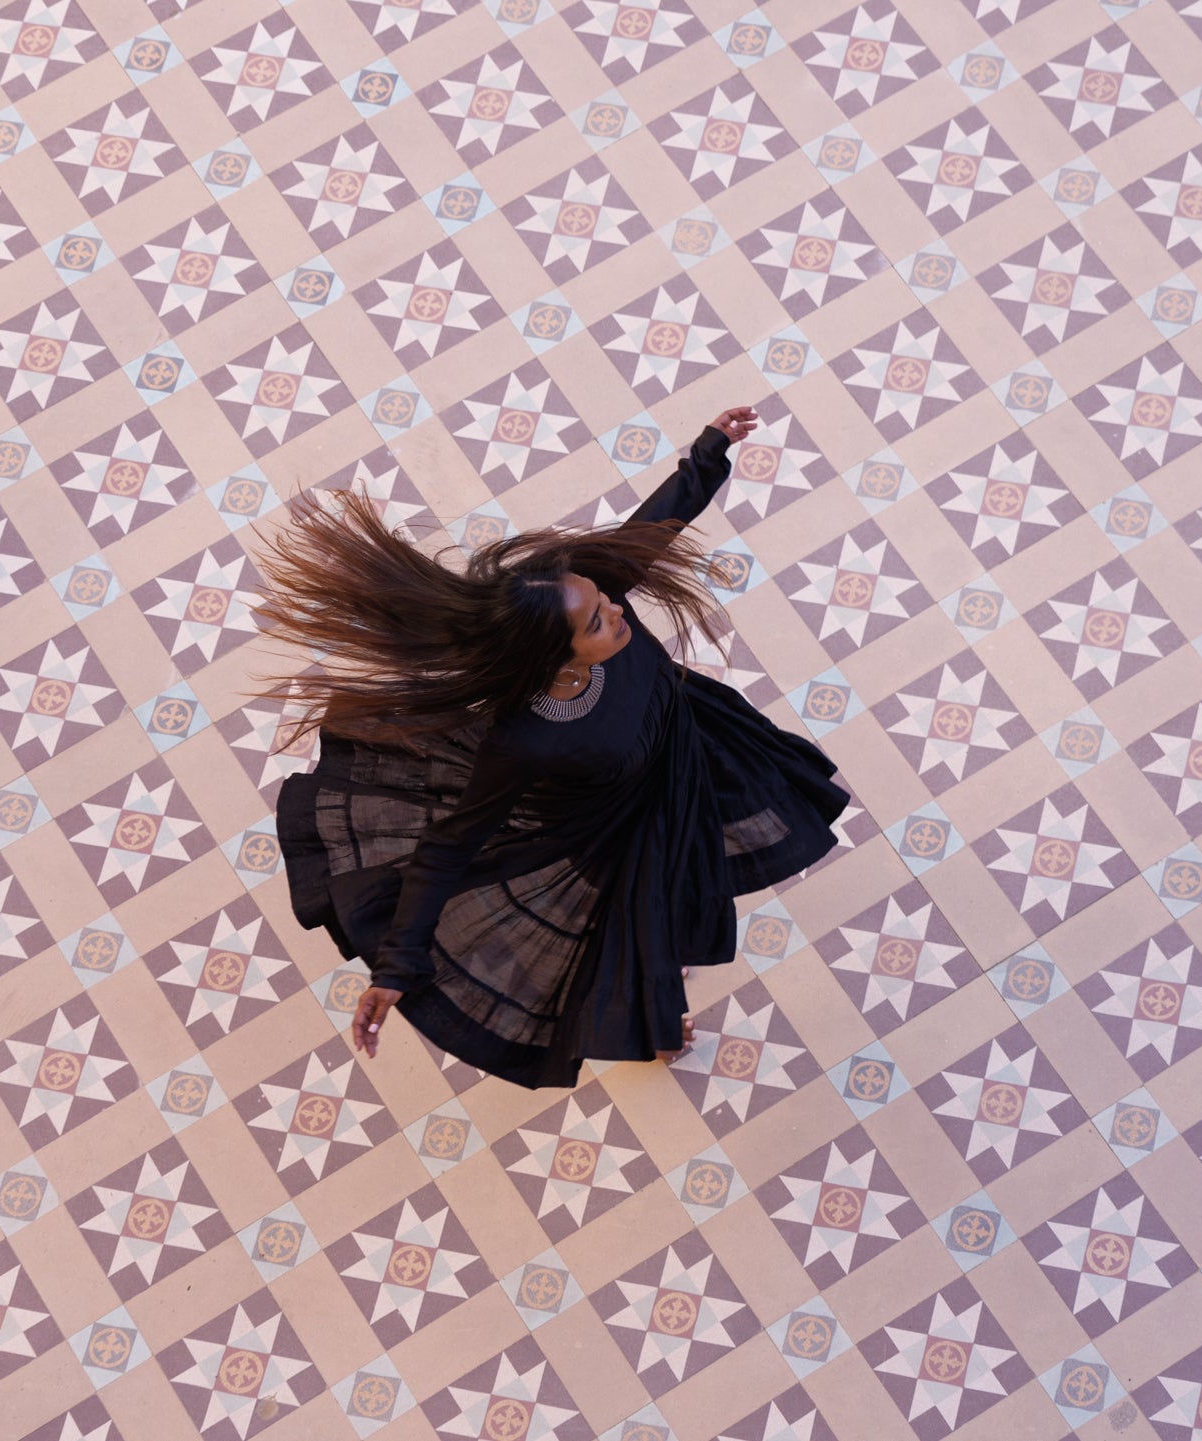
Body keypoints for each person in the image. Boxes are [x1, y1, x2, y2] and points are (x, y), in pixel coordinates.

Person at [261, 407, 848, 1089]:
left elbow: (644, 536)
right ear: (556, 659)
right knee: (642, 931)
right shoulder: (525, 740)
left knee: (715, 875)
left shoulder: (578, 600)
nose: (620, 611)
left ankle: (661, 987)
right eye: (599, 619)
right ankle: (654, 1030)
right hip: (619, 828)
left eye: (605, 599)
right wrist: (395, 970)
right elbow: (449, 847)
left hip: (691, 743)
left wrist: (709, 452)